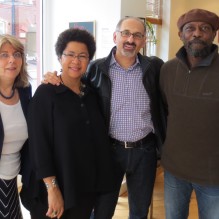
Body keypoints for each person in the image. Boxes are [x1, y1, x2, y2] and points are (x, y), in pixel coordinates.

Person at [44, 17, 166, 219]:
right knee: (101, 209)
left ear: (144, 40)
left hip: (145, 151)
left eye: (137, 35)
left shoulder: (154, 68)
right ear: (115, 36)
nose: (130, 39)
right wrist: (53, 77)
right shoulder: (96, 69)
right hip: (108, 150)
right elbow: (73, 87)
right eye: (125, 33)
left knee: (140, 210)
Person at [20, 28, 115, 219]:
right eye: (70, 54)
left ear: (89, 60)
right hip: (52, 190)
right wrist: (52, 190)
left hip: (83, 188)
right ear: (60, 57)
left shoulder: (90, 94)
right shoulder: (46, 94)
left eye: (82, 56)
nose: (76, 61)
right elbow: (39, 146)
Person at [159, 8, 219, 219]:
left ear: (214, 34)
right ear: (180, 34)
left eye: (205, 28)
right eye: (190, 28)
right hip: (174, 170)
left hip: (213, 175)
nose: (197, 33)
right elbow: (166, 110)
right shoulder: (167, 70)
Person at [0, 34, 31, 218]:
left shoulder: (25, 91)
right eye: (4, 55)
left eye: (17, 54)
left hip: (12, 177)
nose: (12, 60)